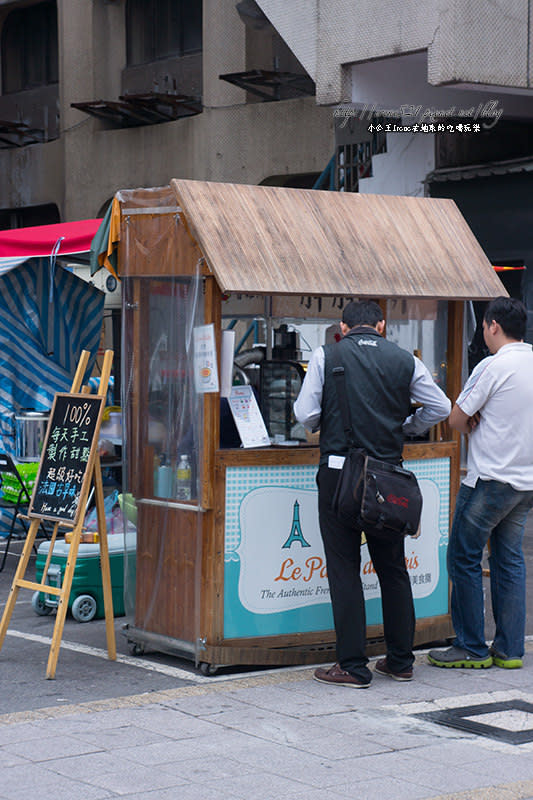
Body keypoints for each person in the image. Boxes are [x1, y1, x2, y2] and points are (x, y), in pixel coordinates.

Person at [294, 299, 451, 687]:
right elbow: (441, 407)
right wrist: (408, 426)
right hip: (388, 475)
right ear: (381, 325)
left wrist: (327, 421)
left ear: (343, 328)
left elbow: (305, 415)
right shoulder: (405, 360)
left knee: (344, 569)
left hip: (338, 474)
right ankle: (400, 661)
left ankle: (353, 666)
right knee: (393, 568)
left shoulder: (326, 356)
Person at [429, 296, 533, 670]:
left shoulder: (493, 366)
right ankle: (509, 650)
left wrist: (473, 420)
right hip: (525, 483)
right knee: (509, 560)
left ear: (492, 325)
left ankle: (471, 645)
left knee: (463, 556)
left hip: (490, 479)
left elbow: (457, 419)